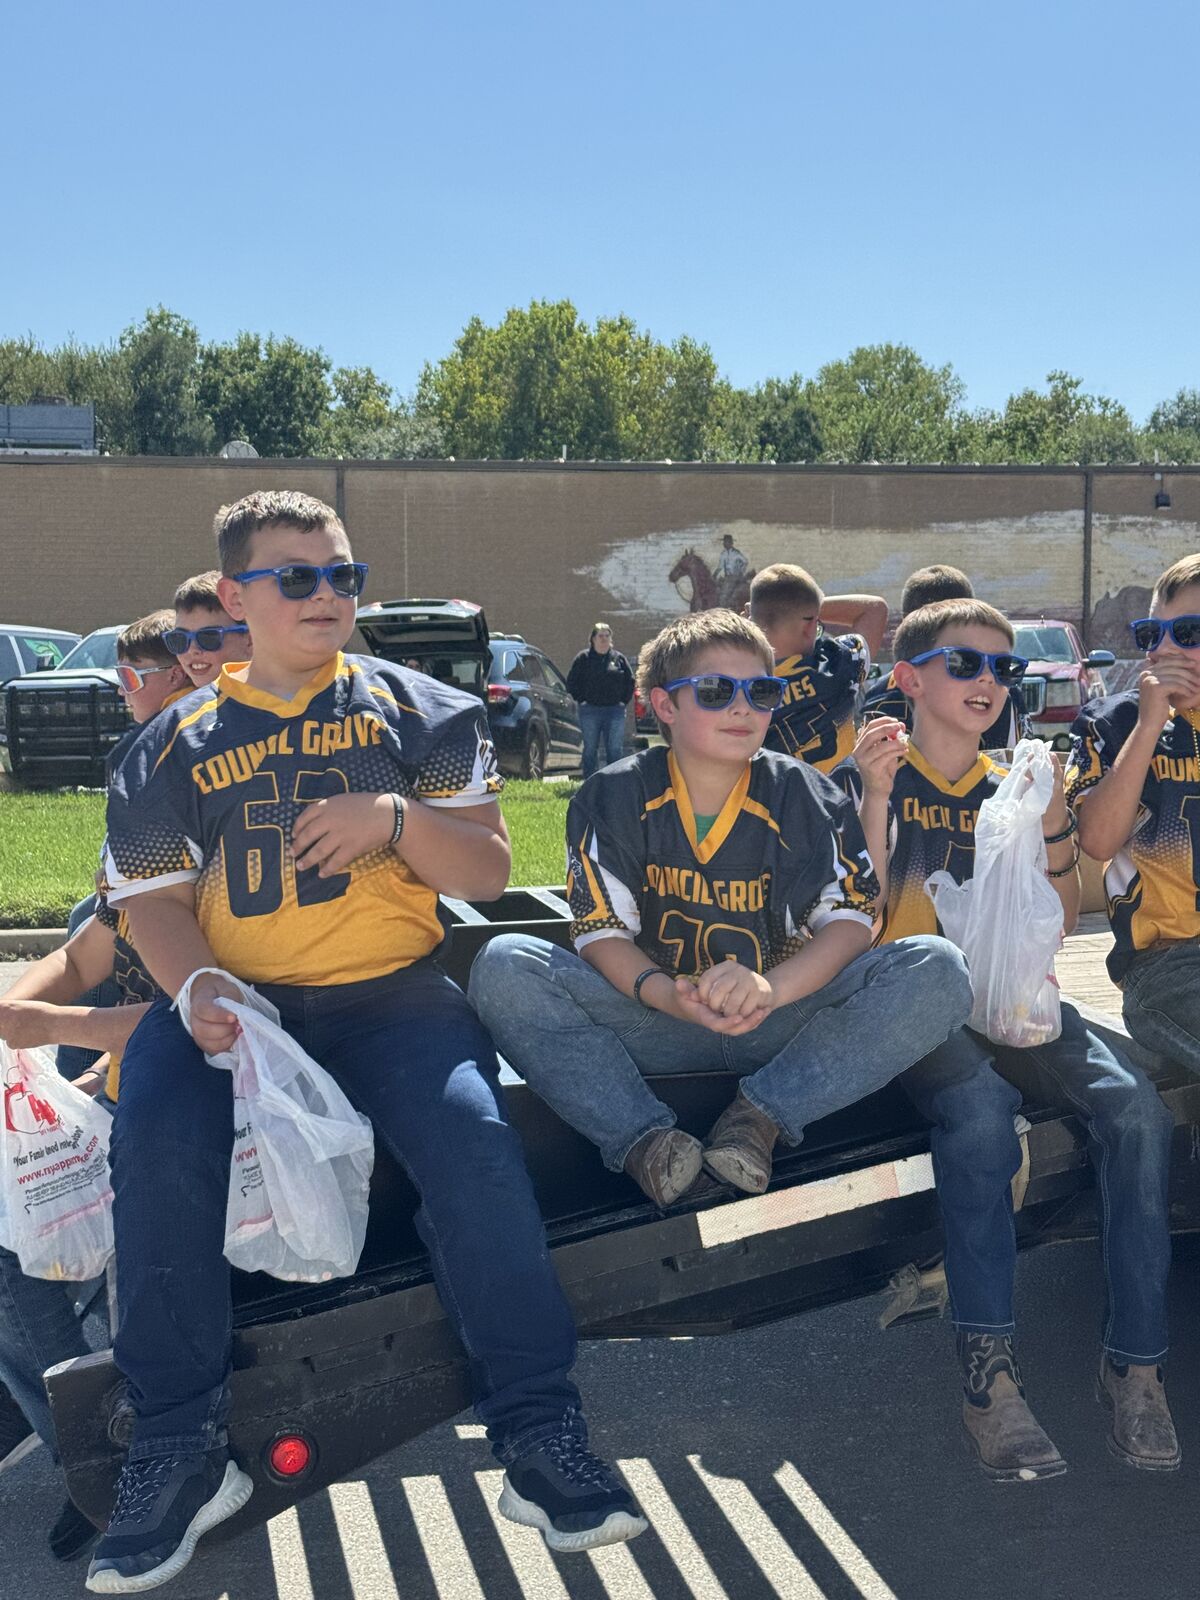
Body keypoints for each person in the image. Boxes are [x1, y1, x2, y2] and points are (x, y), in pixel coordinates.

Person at [89, 490, 646, 1593]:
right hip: (238, 1001)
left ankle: (537, 1429)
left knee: (474, 1144)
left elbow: (486, 870)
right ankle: (176, 1444)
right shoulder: (169, 743)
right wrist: (195, 978)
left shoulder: (420, 709)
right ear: (238, 596)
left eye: (341, 574)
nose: (326, 594)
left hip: (390, 994)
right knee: (152, 1134)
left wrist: (392, 820)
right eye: (295, 576)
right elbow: (150, 901)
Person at [469, 609, 972, 1212]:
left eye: (761, 692)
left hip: (781, 1023)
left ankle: (758, 1119)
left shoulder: (809, 796)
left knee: (938, 967)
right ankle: (647, 1144)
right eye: (715, 691)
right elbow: (600, 931)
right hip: (655, 1020)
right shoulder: (613, 793)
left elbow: (850, 923)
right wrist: (664, 992)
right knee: (504, 963)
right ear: (663, 706)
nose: (742, 708)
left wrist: (768, 986)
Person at [835, 598, 1176, 1481]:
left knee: (1136, 1108)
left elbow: (1059, 919)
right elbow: (851, 924)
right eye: (967, 665)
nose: (991, 682)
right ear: (908, 679)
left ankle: (1135, 1364)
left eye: (1006, 669)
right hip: (911, 1012)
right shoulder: (869, 775)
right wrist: (871, 797)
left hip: (1015, 1003)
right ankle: (990, 1377)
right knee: (983, 1116)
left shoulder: (1015, 778)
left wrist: (1055, 819)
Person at [0, 611, 187, 1563]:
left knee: (13, 1247)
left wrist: (61, 1030)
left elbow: (223, 1017)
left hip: (200, 1096)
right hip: (118, 1075)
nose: (136, 690)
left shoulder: (251, 833)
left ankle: (90, 1447)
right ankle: (66, 1426)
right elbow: (85, 954)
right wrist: (16, 1010)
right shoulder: (146, 811)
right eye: (133, 676)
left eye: (147, 674)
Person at [1069, 552, 1200, 1070]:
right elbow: (1097, 842)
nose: (1163, 649)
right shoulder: (1115, 721)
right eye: (1151, 634)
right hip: (1166, 965)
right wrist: (1150, 726)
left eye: (1187, 633)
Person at [862, 565, 1028, 749]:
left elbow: (1018, 762)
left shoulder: (878, 692)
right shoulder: (881, 696)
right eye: (961, 660)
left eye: (1003, 666)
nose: (988, 677)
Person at [748, 564, 887, 773]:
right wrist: (806, 609)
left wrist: (765, 613)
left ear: (752, 623)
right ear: (810, 626)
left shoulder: (742, 686)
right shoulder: (836, 662)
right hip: (845, 796)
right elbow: (875, 609)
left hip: (778, 802)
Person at [566, 624, 634, 778]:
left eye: (606, 636)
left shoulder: (618, 659)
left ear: (611, 639)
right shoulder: (583, 659)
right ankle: (589, 781)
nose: (604, 639)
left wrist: (623, 701)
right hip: (590, 711)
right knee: (590, 749)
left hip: (615, 711)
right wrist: (581, 700)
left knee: (614, 749)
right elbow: (571, 682)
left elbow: (630, 681)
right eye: (600, 636)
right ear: (593, 639)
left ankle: (613, 782)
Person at [166, 569, 252, 688]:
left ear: (250, 639)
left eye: (208, 637)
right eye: (179, 639)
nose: (192, 650)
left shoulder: (278, 701)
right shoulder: (181, 706)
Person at [713, 533, 750, 608]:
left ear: (730, 543)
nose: (724, 544)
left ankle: (723, 606)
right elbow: (720, 566)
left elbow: (745, 562)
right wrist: (714, 575)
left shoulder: (736, 553)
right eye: (724, 542)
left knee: (724, 593)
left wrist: (741, 571)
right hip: (727, 577)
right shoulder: (723, 554)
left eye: (726, 542)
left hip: (734, 576)